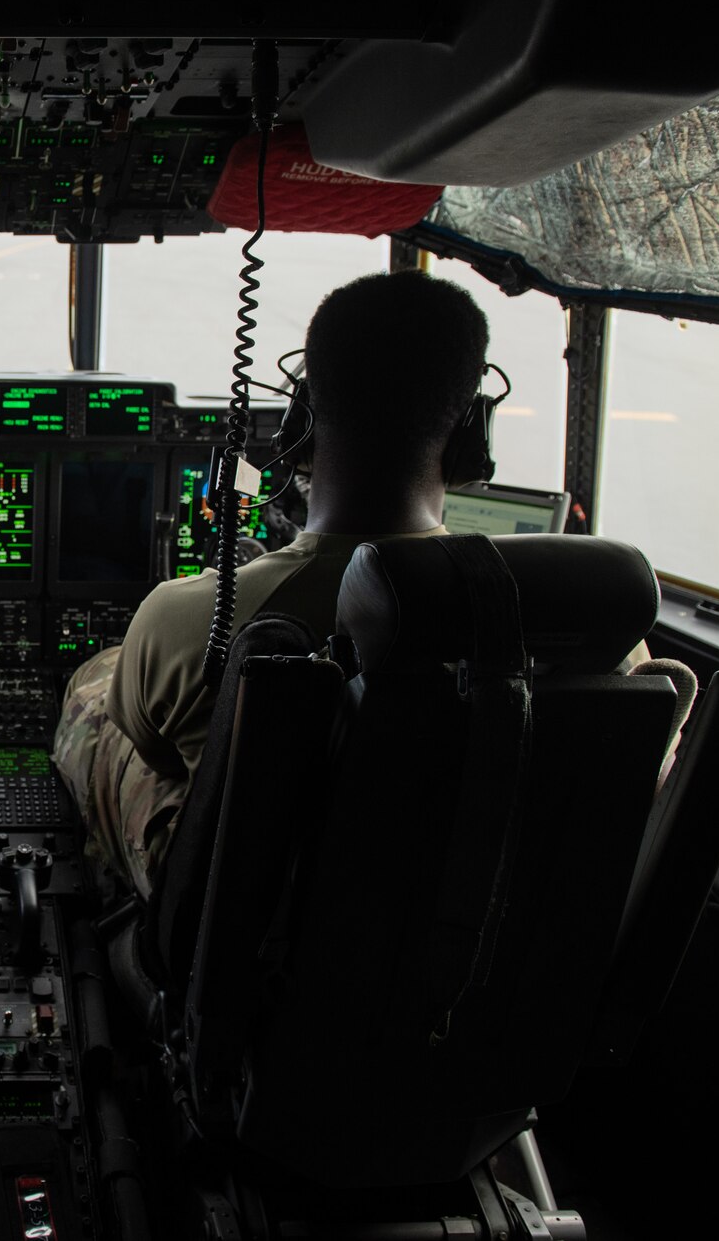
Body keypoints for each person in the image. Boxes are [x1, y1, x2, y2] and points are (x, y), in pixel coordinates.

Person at [54, 269, 490, 898]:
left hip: (256, 935)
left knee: (101, 697)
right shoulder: (577, 615)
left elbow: (152, 753)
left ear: (298, 424)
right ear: (475, 435)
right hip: (464, 927)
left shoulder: (188, 617)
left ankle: (104, 893)